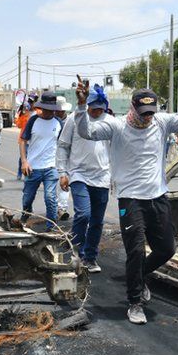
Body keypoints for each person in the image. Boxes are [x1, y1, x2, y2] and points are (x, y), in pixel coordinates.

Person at [75, 76, 178, 324]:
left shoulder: (162, 122)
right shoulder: (116, 126)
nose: (147, 118)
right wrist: (81, 107)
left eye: (150, 113)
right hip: (130, 199)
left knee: (167, 249)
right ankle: (135, 303)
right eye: (143, 113)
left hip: (157, 197)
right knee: (135, 251)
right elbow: (86, 131)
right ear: (133, 108)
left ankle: (138, 275)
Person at [57, 84, 111, 272]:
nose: (96, 111)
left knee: (97, 220)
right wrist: (63, 172)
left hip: (102, 177)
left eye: (100, 108)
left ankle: (90, 257)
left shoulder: (110, 121)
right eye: (93, 107)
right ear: (86, 104)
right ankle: (74, 251)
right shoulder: (75, 118)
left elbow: (116, 151)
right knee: (83, 214)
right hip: (78, 174)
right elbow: (63, 145)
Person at [19, 91, 63, 232]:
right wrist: (24, 162)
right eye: (47, 109)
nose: (49, 112)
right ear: (41, 107)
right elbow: (23, 141)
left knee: (50, 198)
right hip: (33, 167)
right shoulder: (33, 120)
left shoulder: (58, 123)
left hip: (51, 167)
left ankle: (52, 227)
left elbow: (63, 146)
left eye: (52, 110)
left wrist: (63, 169)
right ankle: (26, 213)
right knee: (27, 198)